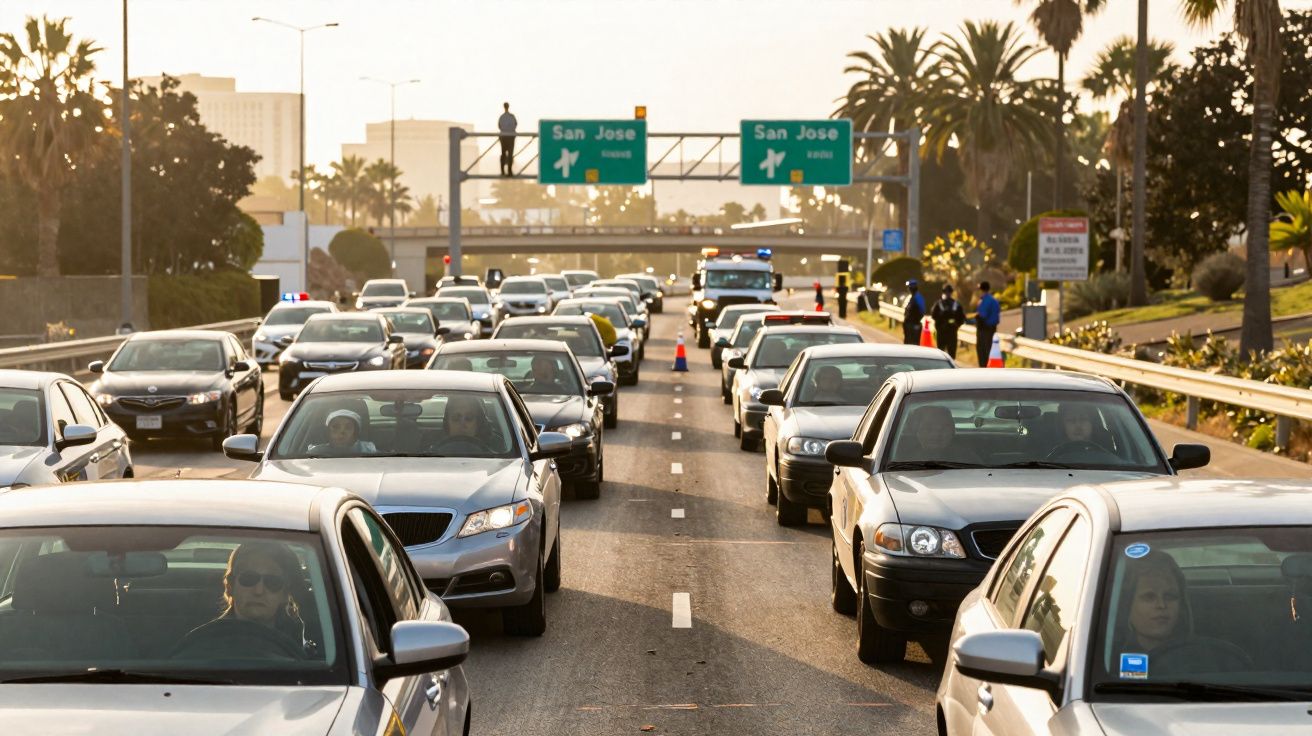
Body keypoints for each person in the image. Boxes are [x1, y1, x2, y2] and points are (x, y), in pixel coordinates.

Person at [308, 409, 377, 457]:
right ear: (328, 431)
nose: (342, 432)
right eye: (336, 427)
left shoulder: (369, 450)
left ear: (355, 433)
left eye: (348, 427)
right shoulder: (315, 453)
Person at [930, 284, 966, 358]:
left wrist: (956, 325)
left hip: (950, 332)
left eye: (948, 292)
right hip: (943, 332)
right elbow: (933, 316)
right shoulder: (939, 304)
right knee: (941, 354)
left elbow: (961, 318)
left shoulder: (955, 305)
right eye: (946, 292)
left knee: (950, 355)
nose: (947, 293)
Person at [972, 280, 1001, 367]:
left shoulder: (984, 301)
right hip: (992, 329)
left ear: (981, 290)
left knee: (983, 353)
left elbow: (982, 315)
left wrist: (976, 318)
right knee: (990, 350)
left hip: (984, 330)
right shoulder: (994, 300)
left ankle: (984, 371)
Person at [902, 280, 926, 345]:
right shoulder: (912, 297)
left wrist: (915, 321)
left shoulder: (917, 297)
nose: (908, 289)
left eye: (909, 287)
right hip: (910, 324)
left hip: (913, 325)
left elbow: (922, 311)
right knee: (908, 343)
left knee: (913, 344)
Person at [498, 103, 518, 177]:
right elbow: (515, 124)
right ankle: (509, 171)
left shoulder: (502, 117)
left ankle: (503, 171)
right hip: (510, 137)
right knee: (510, 154)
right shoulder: (511, 117)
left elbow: (499, 126)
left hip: (503, 137)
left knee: (503, 154)